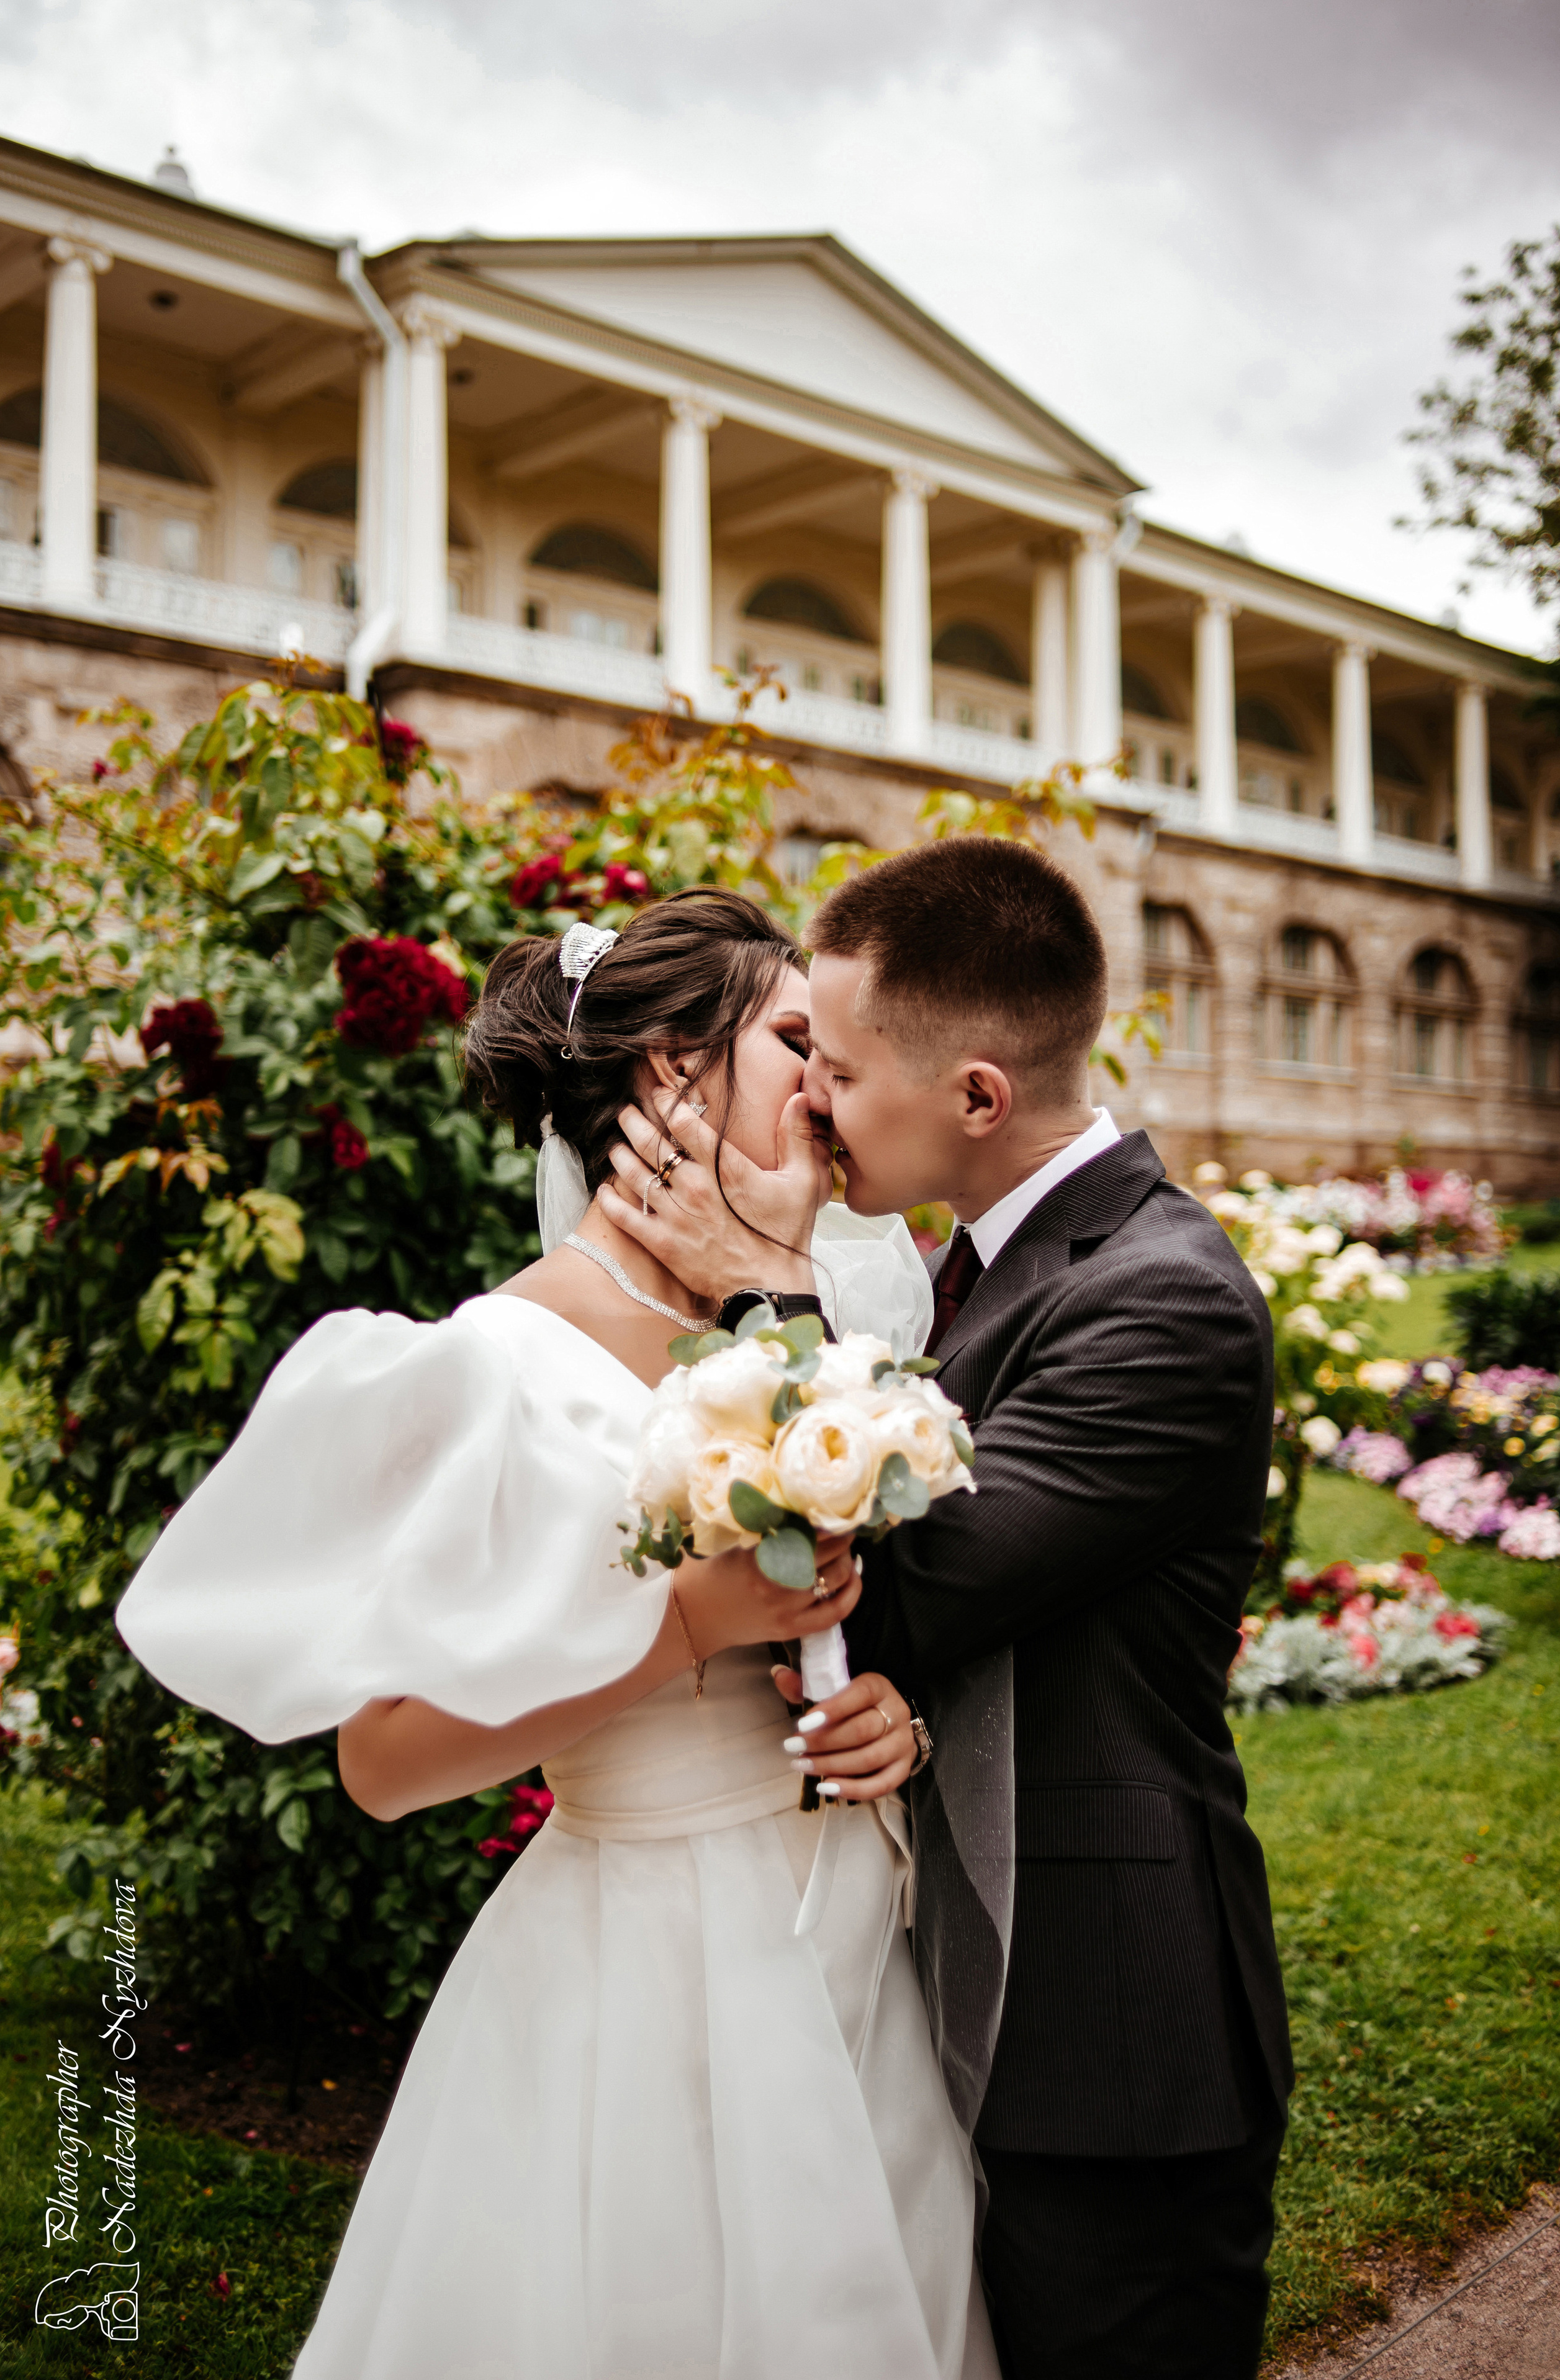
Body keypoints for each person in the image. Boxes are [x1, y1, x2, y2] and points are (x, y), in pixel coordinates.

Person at [117, 886, 999, 2380]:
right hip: (657, 1960)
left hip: (857, 1933)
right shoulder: (493, 1364)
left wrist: (885, 1711)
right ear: (670, 1067)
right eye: (798, 1042)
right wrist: (680, 1626)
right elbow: (381, 1764)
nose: (833, 1080)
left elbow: (858, 1619)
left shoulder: (808, 1328)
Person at [600, 839, 1294, 2380]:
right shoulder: (979, 1266)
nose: (811, 1100)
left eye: (840, 1069)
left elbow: (899, 1584)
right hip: (975, 1989)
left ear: (976, 1095)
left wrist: (762, 1284)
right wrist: (908, 1718)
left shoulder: (1160, 1298)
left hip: (1111, 2034)